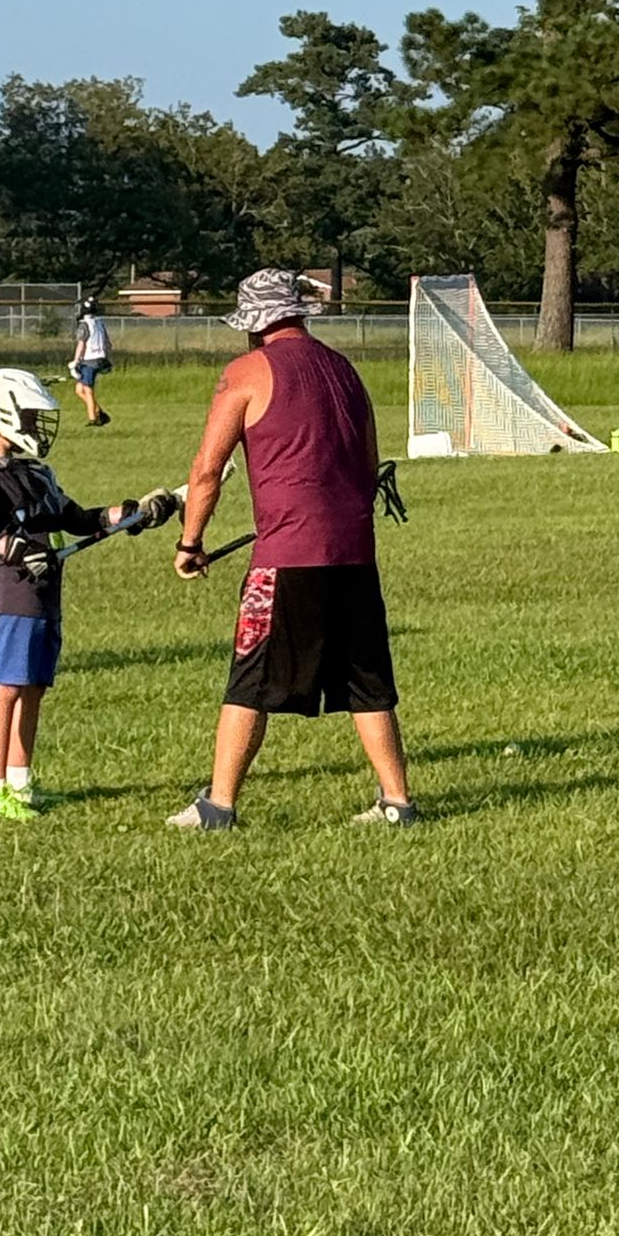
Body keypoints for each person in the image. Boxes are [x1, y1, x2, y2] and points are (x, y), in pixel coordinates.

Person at [166, 267, 417, 830]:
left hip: (284, 556)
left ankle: (219, 806)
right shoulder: (344, 370)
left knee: (250, 676)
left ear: (254, 324)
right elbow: (367, 462)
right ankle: (397, 801)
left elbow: (208, 470)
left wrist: (191, 541)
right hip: (353, 551)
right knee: (367, 679)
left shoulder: (247, 372)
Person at [0, 367, 156, 820]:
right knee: (6, 688)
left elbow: (76, 518)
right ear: (0, 415)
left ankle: (20, 783)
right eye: (27, 417)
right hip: (12, 590)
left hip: (46, 589)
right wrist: (16, 548)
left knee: (33, 688)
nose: (34, 427)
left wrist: (129, 513)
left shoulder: (36, 474)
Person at [70, 296, 113, 428]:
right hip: (100, 358)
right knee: (79, 389)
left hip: (89, 360)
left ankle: (93, 419)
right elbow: (108, 343)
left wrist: (75, 362)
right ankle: (99, 412)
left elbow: (81, 344)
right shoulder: (99, 323)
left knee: (88, 390)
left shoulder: (84, 325)